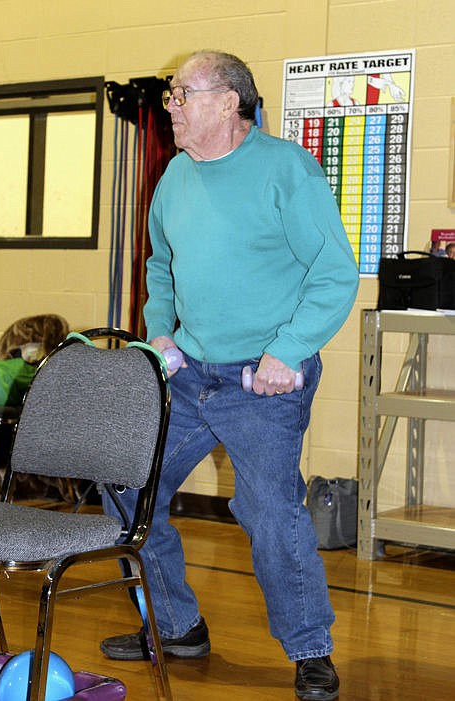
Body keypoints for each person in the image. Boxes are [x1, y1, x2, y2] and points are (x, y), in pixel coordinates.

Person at [100, 50, 359, 701]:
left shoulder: (285, 170)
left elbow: (334, 274)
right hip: (190, 375)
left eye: (182, 94)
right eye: (170, 96)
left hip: (263, 383)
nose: (171, 107)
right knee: (125, 482)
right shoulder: (174, 177)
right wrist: (160, 332)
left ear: (227, 102)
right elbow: (161, 266)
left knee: (270, 509)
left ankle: (309, 647)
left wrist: (289, 350)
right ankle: (179, 625)